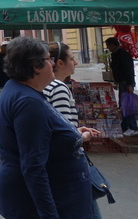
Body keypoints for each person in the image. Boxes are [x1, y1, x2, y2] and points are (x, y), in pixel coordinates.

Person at [0, 36, 91, 219]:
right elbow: (33, 166)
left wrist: (70, 134)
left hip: (36, 196)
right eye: (48, 59)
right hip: (34, 203)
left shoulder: (18, 90)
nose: (53, 63)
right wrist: (49, 214)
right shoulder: (28, 102)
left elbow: (39, 138)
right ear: (35, 66)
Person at [43, 42, 102, 219]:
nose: (75, 63)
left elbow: (58, 126)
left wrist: (75, 130)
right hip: (70, 166)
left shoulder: (45, 86)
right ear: (59, 63)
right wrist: (83, 135)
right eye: (72, 58)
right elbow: (65, 136)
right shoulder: (59, 88)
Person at [106, 37, 138, 136]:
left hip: (125, 82)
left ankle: (132, 127)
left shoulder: (122, 54)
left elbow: (128, 70)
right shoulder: (116, 54)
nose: (108, 48)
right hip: (122, 82)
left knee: (127, 104)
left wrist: (129, 84)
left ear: (113, 45)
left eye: (108, 46)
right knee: (124, 105)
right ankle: (125, 125)